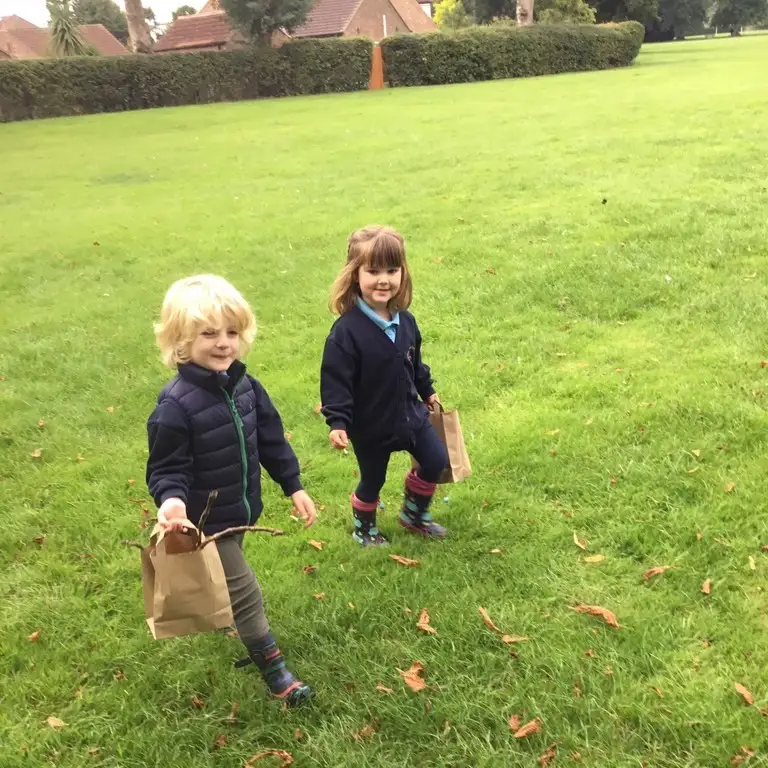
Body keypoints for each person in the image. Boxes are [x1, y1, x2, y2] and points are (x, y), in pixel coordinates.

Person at [146, 274, 316, 706]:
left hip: (241, 510)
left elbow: (273, 441)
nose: (224, 343)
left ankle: (224, 610)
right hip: (204, 523)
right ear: (180, 341)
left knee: (229, 576)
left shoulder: (246, 387)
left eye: (232, 332)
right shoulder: (176, 405)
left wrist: (293, 486)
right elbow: (167, 467)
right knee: (245, 590)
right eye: (209, 333)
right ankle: (276, 672)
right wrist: (173, 502)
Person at [320, 226, 448, 547]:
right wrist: (338, 421)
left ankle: (413, 515)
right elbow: (336, 381)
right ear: (355, 275)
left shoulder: (406, 322)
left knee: (435, 461)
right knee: (373, 480)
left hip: (411, 416)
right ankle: (365, 530)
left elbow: (414, 363)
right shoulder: (346, 333)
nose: (384, 279)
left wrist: (428, 390)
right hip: (371, 426)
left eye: (392, 270)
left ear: (403, 273)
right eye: (373, 271)